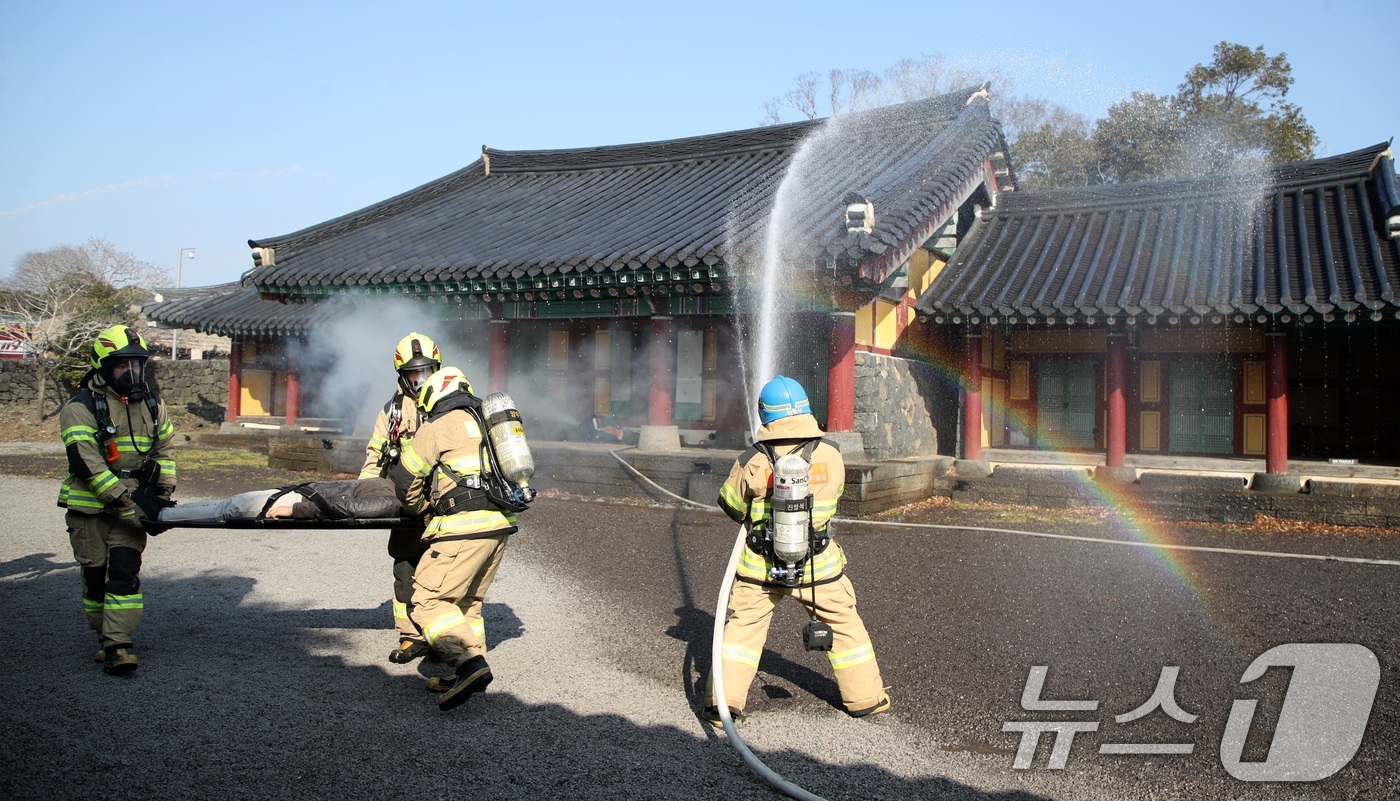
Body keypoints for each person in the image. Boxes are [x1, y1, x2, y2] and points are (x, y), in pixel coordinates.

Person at [706, 375, 890, 725]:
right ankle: (867, 699)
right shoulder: (832, 455)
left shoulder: (753, 460)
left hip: (761, 568)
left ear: (765, 414)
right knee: (846, 627)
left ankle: (724, 704)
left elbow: (730, 505)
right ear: (806, 408)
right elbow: (834, 499)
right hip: (818, 566)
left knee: (742, 632)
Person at [392, 366, 521, 711]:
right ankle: (467, 671)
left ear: (433, 395)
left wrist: (421, 508)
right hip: (499, 525)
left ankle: (468, 665)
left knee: (427, 601)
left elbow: (407, 483)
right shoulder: (487, 422)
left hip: (462, 527)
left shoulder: (435, 427)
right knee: (468, 603)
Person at [58, 325, 176, 675]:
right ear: (103, 367)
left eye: (137, 364)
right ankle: (104, 635)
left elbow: (166, 452)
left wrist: (160, 496)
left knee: (124, 574)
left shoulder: (153, 406)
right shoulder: (79, 409)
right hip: (90, 510)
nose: (133, 372)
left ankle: (118, 645)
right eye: (123, 365)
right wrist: (126, 506)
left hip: (134, 507)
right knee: (95, 579)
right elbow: (87, 464)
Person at [360, 332, 441, 665]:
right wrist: (362, 499)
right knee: (406, 568)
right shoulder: (392, 412)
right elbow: (375, 456)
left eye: (427, 372)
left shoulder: (449, 405)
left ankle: (442, 639)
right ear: (402, 375)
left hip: (445, 506)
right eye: (414, 374)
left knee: (444, 572)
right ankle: (411, 636)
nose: (421, 380)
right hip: (408, 505)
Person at [147, 478, 404, 526]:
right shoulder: (397, 485)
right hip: (301, 492)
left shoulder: (395, 500)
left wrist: (296, 510)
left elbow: (347, 509)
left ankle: (160, 517)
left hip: (300, 499)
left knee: (233, 508)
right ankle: (171, 511)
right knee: (233, 503)